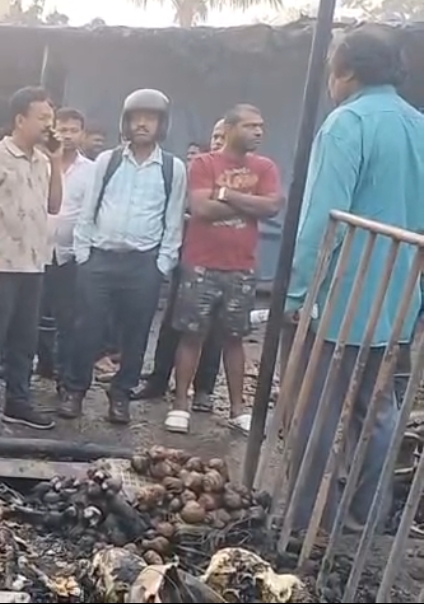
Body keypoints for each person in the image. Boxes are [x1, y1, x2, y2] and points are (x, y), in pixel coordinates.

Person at [286, 25, 424, 532]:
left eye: (331, 67)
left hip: (345, 295)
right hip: (400, 295)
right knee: (379, 410)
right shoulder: (419, 125)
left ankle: (305, 518)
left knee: (318, 409)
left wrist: (299, 291)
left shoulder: (347, 123)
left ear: (345, 70)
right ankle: (365, 513)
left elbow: (323, 219)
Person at [60, 89, 187, 425]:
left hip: (143, 264)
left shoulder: (172, 168)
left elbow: (173, 220)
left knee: (136, 333)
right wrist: (84, 255)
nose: (142, 124)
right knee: (86, 328)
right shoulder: (108, 160)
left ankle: (121, 395)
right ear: (126, 121)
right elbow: (89, 209)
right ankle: (74, 390)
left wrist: (162, 265)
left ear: (162, 124)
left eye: (150, 118)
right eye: (136, 117)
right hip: (100, 259)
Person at [166, 104, 282, 435]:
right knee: (192, 335)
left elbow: (273, 206)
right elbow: (201, 209)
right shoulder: (204, 163)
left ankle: (237, 409)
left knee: (235, 338)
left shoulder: (265, 166)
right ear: (229, 129)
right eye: (250, 126)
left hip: (241, 267)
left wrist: (227, 193)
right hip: (201, 263)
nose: (258, 132)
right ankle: (180, 405)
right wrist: (250, 203)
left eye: (261, 126)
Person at [0, 86, 63, 433]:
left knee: (25, 338)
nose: (48, 124)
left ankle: (18, 402)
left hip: (34, 263)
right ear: (20, 119)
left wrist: (56, 161)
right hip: (2, 262)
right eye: (42, 117)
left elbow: (54, 205)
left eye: (51, 118)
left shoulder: (43, 159)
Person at [132, 119, 229, 405]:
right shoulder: (195, 171)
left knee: (214, 327)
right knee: (173, 320)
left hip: (224, 259)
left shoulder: (241, 174)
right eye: (215, 135)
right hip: (189, 254)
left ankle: (203, 389)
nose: (218, 141)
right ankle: (158, 380)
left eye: (224, 136)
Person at [44, 107, 94, 385]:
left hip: (71, 253)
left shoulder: (92, 171)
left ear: (82, 134)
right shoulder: (40, 162)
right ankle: (37, 366)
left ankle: (64, 374)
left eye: (74, 130)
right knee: (32, 315)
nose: (68, 136)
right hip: (37, 250)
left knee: (68, 317)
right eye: (62, 130)